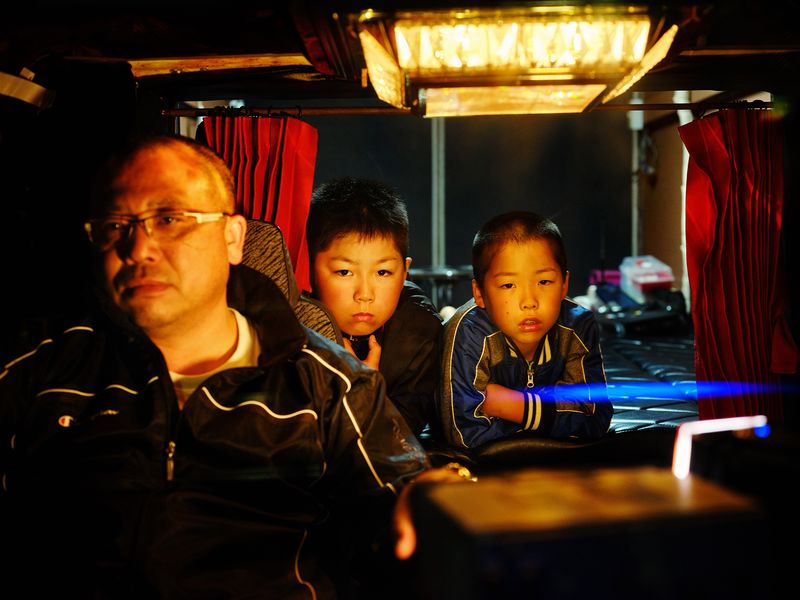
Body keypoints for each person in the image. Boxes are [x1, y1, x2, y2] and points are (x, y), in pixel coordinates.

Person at [0, 134, 465, 599]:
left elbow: (395, 492)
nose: (138, 248)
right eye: (115, 225)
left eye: (169, 219)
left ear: (232, 237)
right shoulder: (34, 369)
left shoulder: (327, 385)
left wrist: (425, 498)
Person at [439, 211, 612, 449]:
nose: (529, 301)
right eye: (508, 285)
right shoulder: (470, 333)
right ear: (479, 293)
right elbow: (464, 433)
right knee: (447, 323)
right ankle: (446, 313)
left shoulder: (577, 326)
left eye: (544, 282)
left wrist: (506, 404)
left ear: (564, 284)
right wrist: (554, 412)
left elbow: (595, 418)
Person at [306, 177, 443, 438]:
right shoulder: (295, 325)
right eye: (345, 272)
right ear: (308, 268)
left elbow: (403, 436)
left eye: (383, 272)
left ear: (405, 272)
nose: (365, 295)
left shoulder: (420, 330)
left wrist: (366, 391)